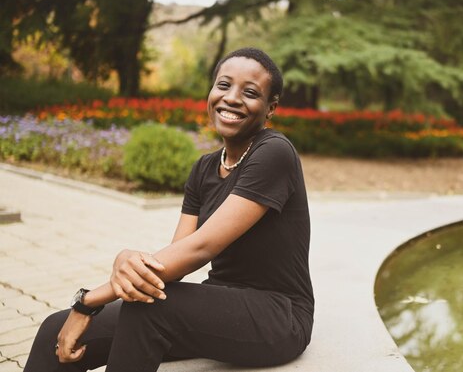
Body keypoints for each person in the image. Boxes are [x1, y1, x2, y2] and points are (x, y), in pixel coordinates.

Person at [24, 47, 314, 371]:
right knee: (54, 328)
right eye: (223, 85)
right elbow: (179, 255)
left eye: (249, 92)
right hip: (219, 302)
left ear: (270, 108)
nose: (231, 98)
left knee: (148, 310)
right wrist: (127, 261)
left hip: (278, 314)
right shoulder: (204, 168)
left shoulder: (275, 151)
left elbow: (202, 247)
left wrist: (89, 300)